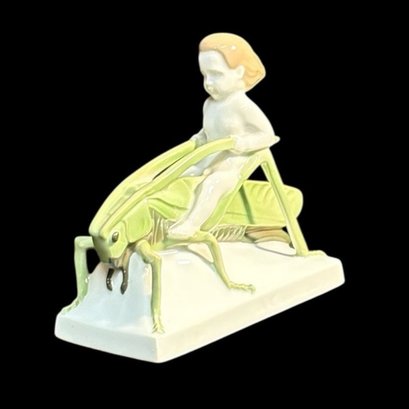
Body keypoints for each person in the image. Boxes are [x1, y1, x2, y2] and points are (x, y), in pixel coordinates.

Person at [168, 33, 279, 238]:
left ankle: (191, 225)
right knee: (178, 174)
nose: (208, 82)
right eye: (204, 75)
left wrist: (242, 143)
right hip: (206, 160)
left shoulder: (242, 106)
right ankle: (167, 215)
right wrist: (199, 137)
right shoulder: (209, 104)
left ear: (239, 72)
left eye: (216, 74)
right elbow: (209, 130)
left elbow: (268, 135)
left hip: (230, 168)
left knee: (212, 184)